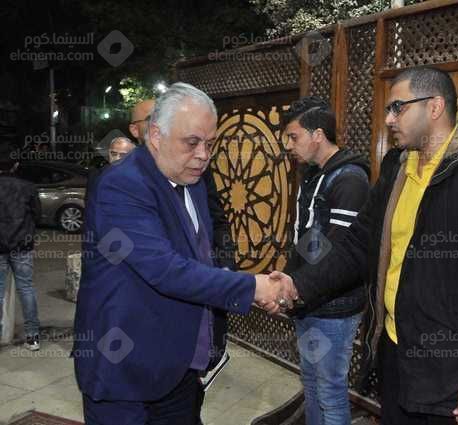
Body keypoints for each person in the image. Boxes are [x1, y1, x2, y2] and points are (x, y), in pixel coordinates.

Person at [271, 65, 458, 424]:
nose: (389, 119)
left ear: (435, 106)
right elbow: (357, 244)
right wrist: (297, 285)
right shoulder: (398, 166)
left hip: (453, 375)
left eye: (398, 108)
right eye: (388, 110)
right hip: (396, 356)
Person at [73, 82, 294, 425]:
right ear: (156, 135)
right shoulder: (122, 184)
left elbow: (199, 258)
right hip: (126, 372)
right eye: (192, 142)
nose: (203, 154)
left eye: (210, 144)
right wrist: (253, 287)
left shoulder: (194, 181)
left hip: (180, 369)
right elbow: (165, 269)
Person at [281, 96, 370, 425]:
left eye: (294, 137)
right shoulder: (314, 175)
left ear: (317, 134)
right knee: (311, 383)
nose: (289, 146)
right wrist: (289, 279)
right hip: (308, 299)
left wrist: (294, 287)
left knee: (330, 391)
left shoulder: (349, 179)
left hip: (334, 306)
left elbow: (340, 254)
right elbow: (311, 241)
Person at [0, 157, 41, 351]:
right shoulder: (28, 187)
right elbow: (37, 215)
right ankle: (33, 337)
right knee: (26, 288)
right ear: (15, 165)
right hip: (22, 244)